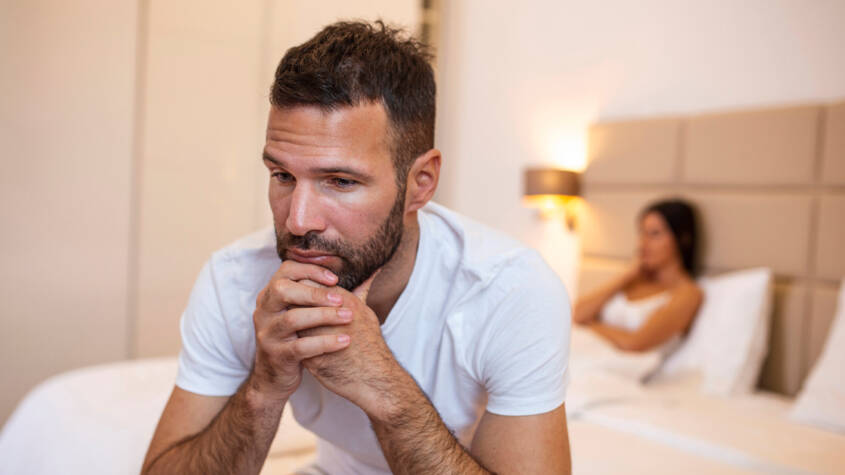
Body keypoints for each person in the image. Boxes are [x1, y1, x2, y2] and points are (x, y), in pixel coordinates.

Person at [141, 21, 571, 475]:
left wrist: (385, 389)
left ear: (421, 183)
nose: (297, 221)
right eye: (282, 175)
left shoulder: (510, 291)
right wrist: (263, 389)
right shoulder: (234, 278)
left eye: (341, 181)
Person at [573, 199, 703, 355]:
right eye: (642, 232)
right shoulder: (633, 281)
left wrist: (590, 325)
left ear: (682, 239)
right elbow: (577, 314)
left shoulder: (687, 293)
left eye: (655, 234)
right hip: (585, 352)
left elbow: (635, 343)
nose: (643, 243)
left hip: (621, 364)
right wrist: (627, 276)